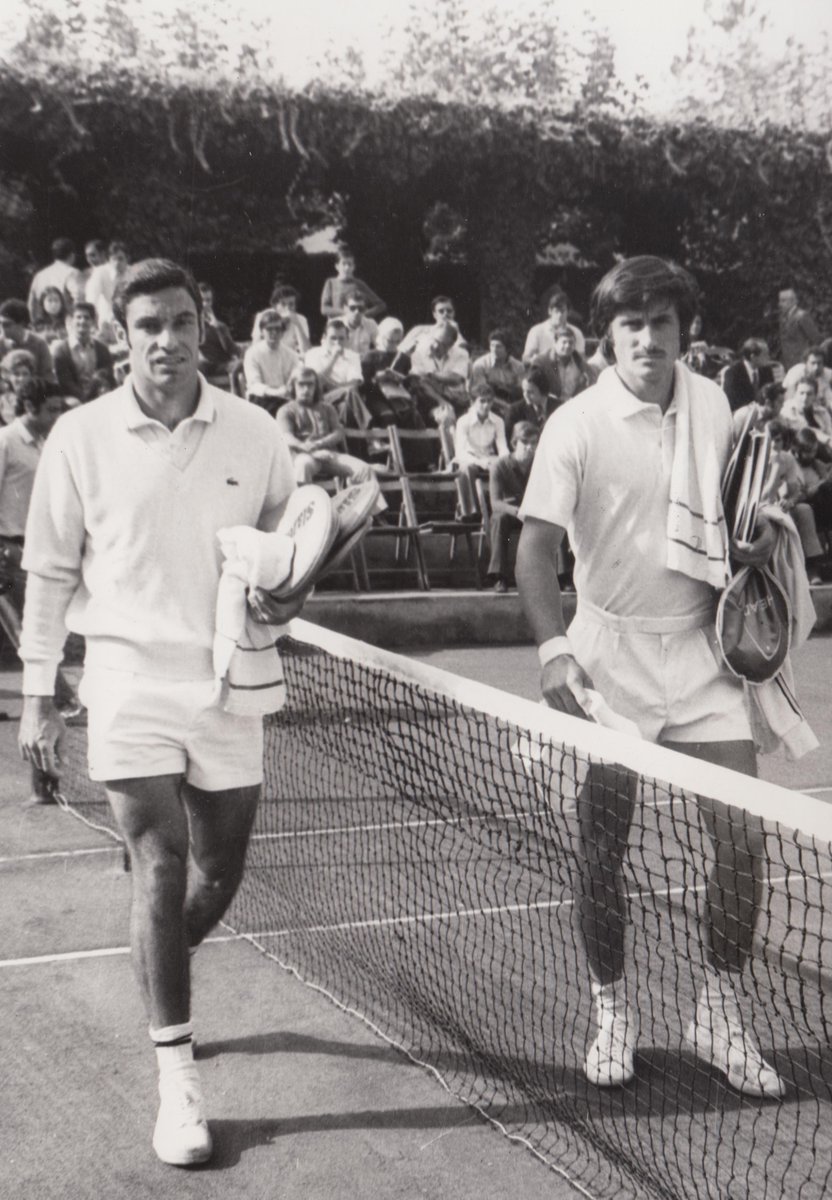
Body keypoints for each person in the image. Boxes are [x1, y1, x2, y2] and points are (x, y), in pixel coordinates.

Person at [17, 258, 305, 1167]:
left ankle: (157, 971)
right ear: (123, 337)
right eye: (148, 326)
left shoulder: (257, 432)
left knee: (214, 880)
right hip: (127, 685)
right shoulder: (78, 436)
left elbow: (284, 550)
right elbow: (50, 573)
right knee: (156, 866)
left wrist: (285, 596)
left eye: (181, 322)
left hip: (230, 684)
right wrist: (38, 699)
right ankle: (177, 1080)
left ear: (203, 328)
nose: (167, 341)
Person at [516, 254, 786, 1099]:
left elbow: (739, 519)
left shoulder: (715, 406)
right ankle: (612, 1011)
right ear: (609, 334)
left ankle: (718, 1008)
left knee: (744, 839)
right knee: (605, 847)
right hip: (609, 658)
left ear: (682, 333)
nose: (647, 339)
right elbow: (533, 549)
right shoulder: (575, 423)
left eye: (661, 324)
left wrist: (752, 543)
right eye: (631, 325)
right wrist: (556, 651)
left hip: (704, 654)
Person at [0, 379, 78, 803]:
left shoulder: (52, 442)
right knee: (28, 634)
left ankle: (60, 698)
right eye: (49, 408)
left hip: (40, 551)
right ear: (28, 406)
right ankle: (59, 699)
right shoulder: (6, 442)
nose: (55, 416)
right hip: (7, 554)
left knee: (38, 633)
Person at [276, 365, 375, 485]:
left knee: (364, 469)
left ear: (316, 386)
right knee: (303, 465)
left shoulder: (327, 408)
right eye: (301, 384)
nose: (306, 389)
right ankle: (305, 503)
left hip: (330, 455)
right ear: (293, 386)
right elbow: (286, 438)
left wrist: (319, 444)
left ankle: (374, 504)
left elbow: (338, 432)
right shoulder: (286, 410)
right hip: (303, 455)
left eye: (310, 384)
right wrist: (311, 451)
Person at [486, 420, 538, 593]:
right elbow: (495, 503)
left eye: (534, 443)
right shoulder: (500, 466)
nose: (530, 447)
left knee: (556, 517)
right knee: (499, 519)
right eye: (525, 443)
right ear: (514, 443)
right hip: (510, 513)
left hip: (533, 513)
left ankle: (563, 576)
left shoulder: (540, 465)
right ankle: (499, 577)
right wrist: (515, 511)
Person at [304, 318, 370, 429]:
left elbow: (354, 384)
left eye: (341, 338)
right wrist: (334, 358)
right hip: (321, 397)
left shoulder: (353, 356)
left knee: (346, 406)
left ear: (347, 340)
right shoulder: (312, 354)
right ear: (324, 338)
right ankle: (369, 436)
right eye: (333, 338)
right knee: (349, 393)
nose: (337, 342)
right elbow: (316, 382)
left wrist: (334, 386)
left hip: (348, 399)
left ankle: (345, 442)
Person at [453, 387, 509, 515]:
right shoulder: (463, 421)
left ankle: (503, 509)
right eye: (482, 401)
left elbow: (502, 447)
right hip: (469, 458)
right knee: (467, 468)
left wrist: (503, 461)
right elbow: (460, 452)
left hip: (489, 458)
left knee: (506, 465)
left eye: (489, 401)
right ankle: (471, 512)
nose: (486, 405)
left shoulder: (498, 421)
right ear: (473, 402)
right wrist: (482, 462)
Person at [51, 302, 115, 404]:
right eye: (78, 317)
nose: (82, 321)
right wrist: (85, 398)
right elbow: (65, 383)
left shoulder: (102, 349)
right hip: (73, 398)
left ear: (93, 322)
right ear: (71, 321)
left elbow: (107, 376)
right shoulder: (61, 351)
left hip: (99, 394)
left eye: (87, 318)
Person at [243, 310, 299, 414]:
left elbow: (295, 380)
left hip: (285, 398)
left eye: (278, 329)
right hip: (261, 398)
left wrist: (287, 390)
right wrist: (276, 392)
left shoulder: (292, 355)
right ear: (262, 331)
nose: (274, 333)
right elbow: (254, 385)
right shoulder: (252, 353)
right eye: (269, 329)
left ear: (283, 332)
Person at [529, 326, 595, 401]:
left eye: (571, 342)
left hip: (573, 404)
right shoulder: (541, 362)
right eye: (564, 342)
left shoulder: (580, 363)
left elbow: (591, 382)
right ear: (555, 343)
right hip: (549, 406)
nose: (567, 346)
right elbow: (533, 388)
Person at [27, 237, 82, 325]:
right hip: (67, 324)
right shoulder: (72, 273)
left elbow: (31, 304)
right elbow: (79, 298)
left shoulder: (40, 275)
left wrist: (36, 324)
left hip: (45, 325)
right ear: (72, 255)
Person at [320, 247, 385, 320]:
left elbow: (381, 305)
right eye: (343, 264)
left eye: (349, 264)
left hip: (355, 327)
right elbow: (324, 309)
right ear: (337, 266)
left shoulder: (359, 284)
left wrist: (363, 314)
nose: (347, 267)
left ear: (354, 267)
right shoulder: (330, 283)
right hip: (337, 326)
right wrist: (347, 313)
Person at [522, 287, 586, 363]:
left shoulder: (576, 333)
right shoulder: (536, 331)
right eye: (556, 311)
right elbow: (525, 359)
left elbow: (582, 361)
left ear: (568, 312)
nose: (559, 315)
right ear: (549, 311)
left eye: (562, 311)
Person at [0, 299, 57, 383]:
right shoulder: (1, 344)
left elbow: (48, 377)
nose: (2, 329)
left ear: (21, 324)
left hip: (35, 391)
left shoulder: (39, 344)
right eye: (0, 324)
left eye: (6, 325)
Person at [469, 330, 525, 413]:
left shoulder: (518, 366)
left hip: (512, 405)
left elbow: (522, 391)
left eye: (499, 346)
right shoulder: (480, 365)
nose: (494, 350)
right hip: (487, 405)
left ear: (507, 348)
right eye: (492, 346)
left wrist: (513, 408)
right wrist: (506, 407)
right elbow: (481, 393)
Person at [196, 283, 238, 389]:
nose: (205, 304)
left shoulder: (220, 325)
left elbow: (232, 350)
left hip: (221, 365)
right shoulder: (191, 325)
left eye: (208, 300)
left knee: (239, 365)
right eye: (202, 300)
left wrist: (218, 328)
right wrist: (201, 321)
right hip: (202, 365)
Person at [86, 241, 130, 341]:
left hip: (128, 322)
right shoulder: (100, 273)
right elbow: (91, 301)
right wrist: (92, 324)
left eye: (121, 259)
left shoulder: (132, 273)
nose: (117, 263)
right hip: (107, 325)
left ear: (127, 259)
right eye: (113, 259)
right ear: (109, 260)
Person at [504, 367, 558, 442]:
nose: (525, 395)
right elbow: (508, 440)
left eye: (530, 392)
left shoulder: (559, 407)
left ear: (543, 390)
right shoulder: (515, 410)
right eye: (524, 391)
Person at [721, 339, 776, 412]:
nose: (769, 357)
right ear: (753, 357)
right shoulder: (733, 373)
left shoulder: (767, 371)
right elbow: (731, 403)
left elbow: (773, 395)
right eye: (765, 354)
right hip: (742, 416)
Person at [778, 287, 821, 370]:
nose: (780, 304)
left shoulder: (802, 316)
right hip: (788, 363)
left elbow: (816, 338)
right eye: (780, 300)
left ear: (792, 301)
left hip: (801, 362)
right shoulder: (783, 317)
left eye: (783, 300)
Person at [782, 346, 832, 412]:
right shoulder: (796, 372)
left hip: (819, 410)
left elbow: (829, 398)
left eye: (819, 363)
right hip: (796, 410)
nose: (816, 367)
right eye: (813, 363)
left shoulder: (828, 374)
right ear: (806, 363)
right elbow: (789, 398)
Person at [341, 290, 379, 355]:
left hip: (364, 363)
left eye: (361, 308)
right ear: (345, 308)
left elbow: (380, 346)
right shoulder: (335, 323)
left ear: (365, 310)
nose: (357, 312)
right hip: (343, 363)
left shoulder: (371, 324)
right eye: (352, 308)